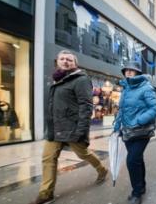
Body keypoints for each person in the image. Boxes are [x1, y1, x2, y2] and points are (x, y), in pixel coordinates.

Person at [30, 50, 108, 204]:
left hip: (71, 128)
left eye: (69, 60)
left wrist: (81, 131)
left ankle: (102, 169)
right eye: (62, 59)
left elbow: (86, 106)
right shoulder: (57, 80)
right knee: (48, 158)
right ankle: (46, 194)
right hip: (54, 129)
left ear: (75, 63)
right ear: (57, 61)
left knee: (83, 154)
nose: (65, 61)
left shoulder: (81, 79)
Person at [113, 61, 156, 204]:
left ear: (138, 73)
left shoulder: (146, 87)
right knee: (137, 159)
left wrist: (140, 120)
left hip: (142, 131)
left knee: (132, 160)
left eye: (132, 71)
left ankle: (137, 193)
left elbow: (155, 108)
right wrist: (117, 125)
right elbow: (122, 109)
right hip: (127, 131)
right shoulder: (125, 88)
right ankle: (142, 185)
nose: (128, 72)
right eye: (126, 70)